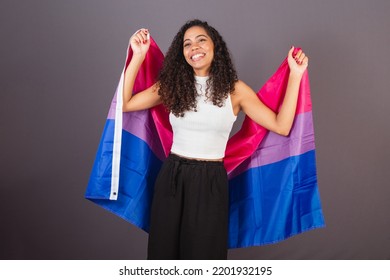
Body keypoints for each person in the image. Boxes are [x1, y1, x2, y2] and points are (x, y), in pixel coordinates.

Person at [122, 19, 308, 260]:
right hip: (172, 177)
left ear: (214, 46)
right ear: (183, 54)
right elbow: (126, 103)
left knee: (205, 256)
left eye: (201, 40)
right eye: (187, 44)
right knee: (163, 254)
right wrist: (138, 55)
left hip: (211, 181)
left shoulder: (235, 90)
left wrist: (295, 75)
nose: (194, 48)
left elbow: (281, 126)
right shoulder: (172, 86)